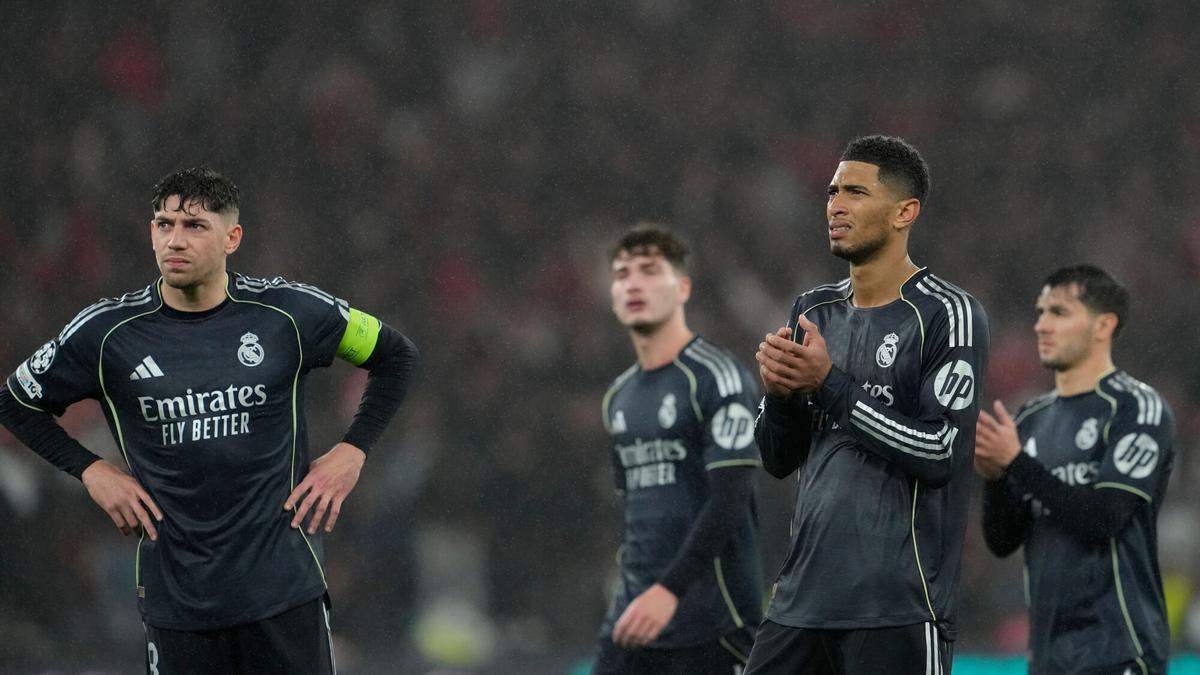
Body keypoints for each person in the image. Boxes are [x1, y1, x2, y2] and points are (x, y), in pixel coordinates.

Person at [0, 167, 418, 673]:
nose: (175, 240)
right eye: (163, 224)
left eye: (194, 226)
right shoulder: (107, 333)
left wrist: (353, 450)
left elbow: (396, 356)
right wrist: (92, 470)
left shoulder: (288, 313)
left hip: (283, 596)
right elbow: (15, 402)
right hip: (178, 604)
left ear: (232, 237)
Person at [747, 135, 989, 674]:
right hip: (800, 601)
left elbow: (941, 450)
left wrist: (829, 383)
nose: (835, 204)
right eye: (833, 191)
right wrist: (780, 396)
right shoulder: (814, 309)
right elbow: (778, 459)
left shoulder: (949, 313)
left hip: (897, 605)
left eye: (856, 191)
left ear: (905, 212)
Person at [975, 265, 1173, 675]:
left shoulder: (1136, 408)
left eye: (1059, 313)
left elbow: (1105, 518)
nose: (1041, 325)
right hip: (1049, 657)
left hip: (1119, 650)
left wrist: (1015, 462)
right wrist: (995, 479)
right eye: (1041, 312)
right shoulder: (1030, 416)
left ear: (1103, 325)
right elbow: (1002, 541)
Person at [593, 226, 764, 674]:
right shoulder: (618, 397)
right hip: (636, 619)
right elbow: (633, 510)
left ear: (683, 287)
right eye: (622, 273)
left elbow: (730, 499)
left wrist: (669, 590)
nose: (633, 283)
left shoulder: (717, 377)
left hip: (712, 625)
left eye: (650, 271)